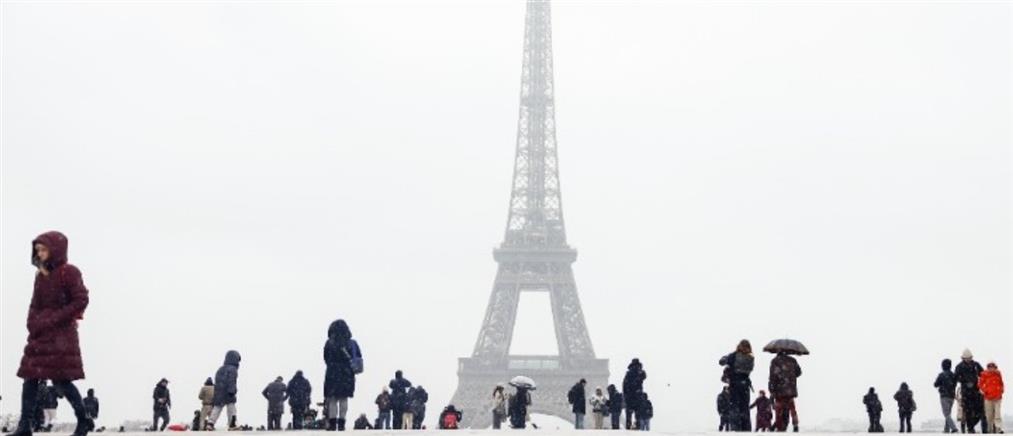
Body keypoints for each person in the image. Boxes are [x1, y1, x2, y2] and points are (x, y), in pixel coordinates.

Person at [5, 233, 94, 436]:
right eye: (38, 251)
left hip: (61, 336)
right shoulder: (40, 275)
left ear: (55, 250)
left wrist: (54, 319)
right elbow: (34, 304)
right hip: (39, 333)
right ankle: (25, 425)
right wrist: (32, 323)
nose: (41, 254)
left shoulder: (70, 272)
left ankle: (83, 420)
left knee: (61, 381)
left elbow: (81, 300)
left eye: (44, 250)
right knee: (30, 377)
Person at [323, 320, 360, 431]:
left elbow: (325, 358)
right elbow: (357, 356)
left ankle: (333, 423)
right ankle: (342, 422)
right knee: (344, 398)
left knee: (333, 398)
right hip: (347, 373)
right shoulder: (351, 342)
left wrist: (333, 365)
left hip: (332, 373)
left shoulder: (329, 342)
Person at [721, 341, 755, 432]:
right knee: (745, 408)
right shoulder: (750, 358)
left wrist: (726, 359)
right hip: (745, 385)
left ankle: (736, 430)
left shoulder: (734, 356)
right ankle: (746, 429)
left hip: (735, 384)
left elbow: (722, 361)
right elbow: (748, 370)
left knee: (734, 407)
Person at [206, 350, 242, 431]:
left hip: (219, 392)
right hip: (228, 391)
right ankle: (232, 424)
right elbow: (231, 381)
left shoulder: (220, 369)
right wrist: (232, 391)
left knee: (217, 407)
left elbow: (217, 382)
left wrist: (216, 393)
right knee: (231, 408)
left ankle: (210, 423)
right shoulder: (233, 369)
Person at [768, 351, 802, 432]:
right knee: (791, 407)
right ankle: (795, 423)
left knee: (779, 408)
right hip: (791, 388)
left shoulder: (775, 361)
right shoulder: (793, 360)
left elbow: (773, 376)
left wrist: (771, 389)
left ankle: (779, 427)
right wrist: (790, 375)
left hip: (780, 389)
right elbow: (799, 372)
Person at [956, 349, 986, 433]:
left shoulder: (976, 365)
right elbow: (956, 377)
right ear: (963, 358)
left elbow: (983, 374)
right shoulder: (959, 367)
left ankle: (972, 426)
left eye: (969, 358)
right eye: (966, 358)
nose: (968, 359)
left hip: (976, 392)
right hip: (965, 393)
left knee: (980, 411)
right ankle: (970, 429)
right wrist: (965, 381)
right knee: (968, 412)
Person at [978, 362, 1003, 434]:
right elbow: (980, 384)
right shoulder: (984, 374)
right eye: (990, 367)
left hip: (998, 398)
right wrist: (985, 391)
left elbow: (1001, 384)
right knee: (989, 416)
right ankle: (990, 430)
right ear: (987, 367)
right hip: (988, 398)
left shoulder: (998, 373)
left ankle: (998, 429)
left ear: (995, 367)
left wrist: (1001, 391)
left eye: (993, 367)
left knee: (997, 414)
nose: (991, 368)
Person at [936, 359, 960, 433]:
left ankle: (954, 428)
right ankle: (946, 429)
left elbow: (935, 384)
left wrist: (941, 385)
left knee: (946, 413)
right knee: (948, 413)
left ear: (943, 366)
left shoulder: (941, 375)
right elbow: (955, 384)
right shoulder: (953, 375)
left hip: (944, 396)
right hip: (952, 396)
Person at [623, 359, 647, 430]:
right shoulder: (640, 372)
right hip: (637, 395)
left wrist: (625, 395)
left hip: (630, 396)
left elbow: (624, 385)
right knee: (638, 414)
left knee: (629, 414)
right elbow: (644, 376)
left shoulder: (629, 373)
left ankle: (628, 427)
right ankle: (637, 426)